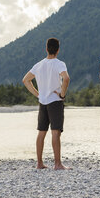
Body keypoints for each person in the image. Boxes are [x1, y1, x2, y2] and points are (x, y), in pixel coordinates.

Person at [23, 37, 70, 170]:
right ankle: (58, 164)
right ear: (58, 50)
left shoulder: (38, 65)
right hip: (55, 102)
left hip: (42, 102)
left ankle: (39, 163)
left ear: (46, 48)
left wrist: (38, 94)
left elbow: (26, 80)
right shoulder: (59, 63)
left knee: (41, 132)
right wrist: (62, 94)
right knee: (55, 132)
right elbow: (66, 78)